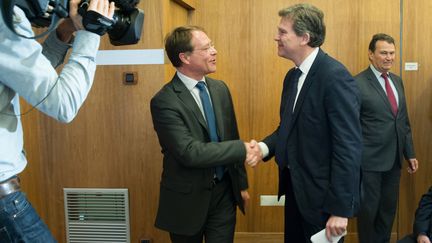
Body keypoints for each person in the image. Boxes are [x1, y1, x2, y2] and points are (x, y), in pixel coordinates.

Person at [0, 0, 115, 242]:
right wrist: (90, 34)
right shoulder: (5, 18)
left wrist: (63, 32)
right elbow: (64, 105)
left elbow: (28, 79)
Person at [247, 3, 362, 243]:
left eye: (282, 32)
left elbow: (348, 147)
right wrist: (263, 148)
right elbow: (288, 130)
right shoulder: (292, 77)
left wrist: (341, 209)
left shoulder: (334, 76)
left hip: (323, 201)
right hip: (296, 192)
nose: (276, 37)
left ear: (304, 38)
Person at [150, 26, 260, 243]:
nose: (214, 51)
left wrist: (241, 186)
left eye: (212, 45)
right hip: (187, 201)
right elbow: (189, 152)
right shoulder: (164, 101)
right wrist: (242, 148)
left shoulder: (220, 89)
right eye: (207, 48)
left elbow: (231, 136)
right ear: (185, 57)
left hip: (224, 195)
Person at [355, 33, 419, 243]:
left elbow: (403, 122)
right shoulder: (357, 83)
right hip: (369, 162)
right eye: (383, 53)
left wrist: (409, 153)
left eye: (392, 53)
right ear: (371, 55)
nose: (389, 57)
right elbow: (351, 126)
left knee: (387, 212)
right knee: (368, 214)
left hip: (394, 161)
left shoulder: (397, 81)